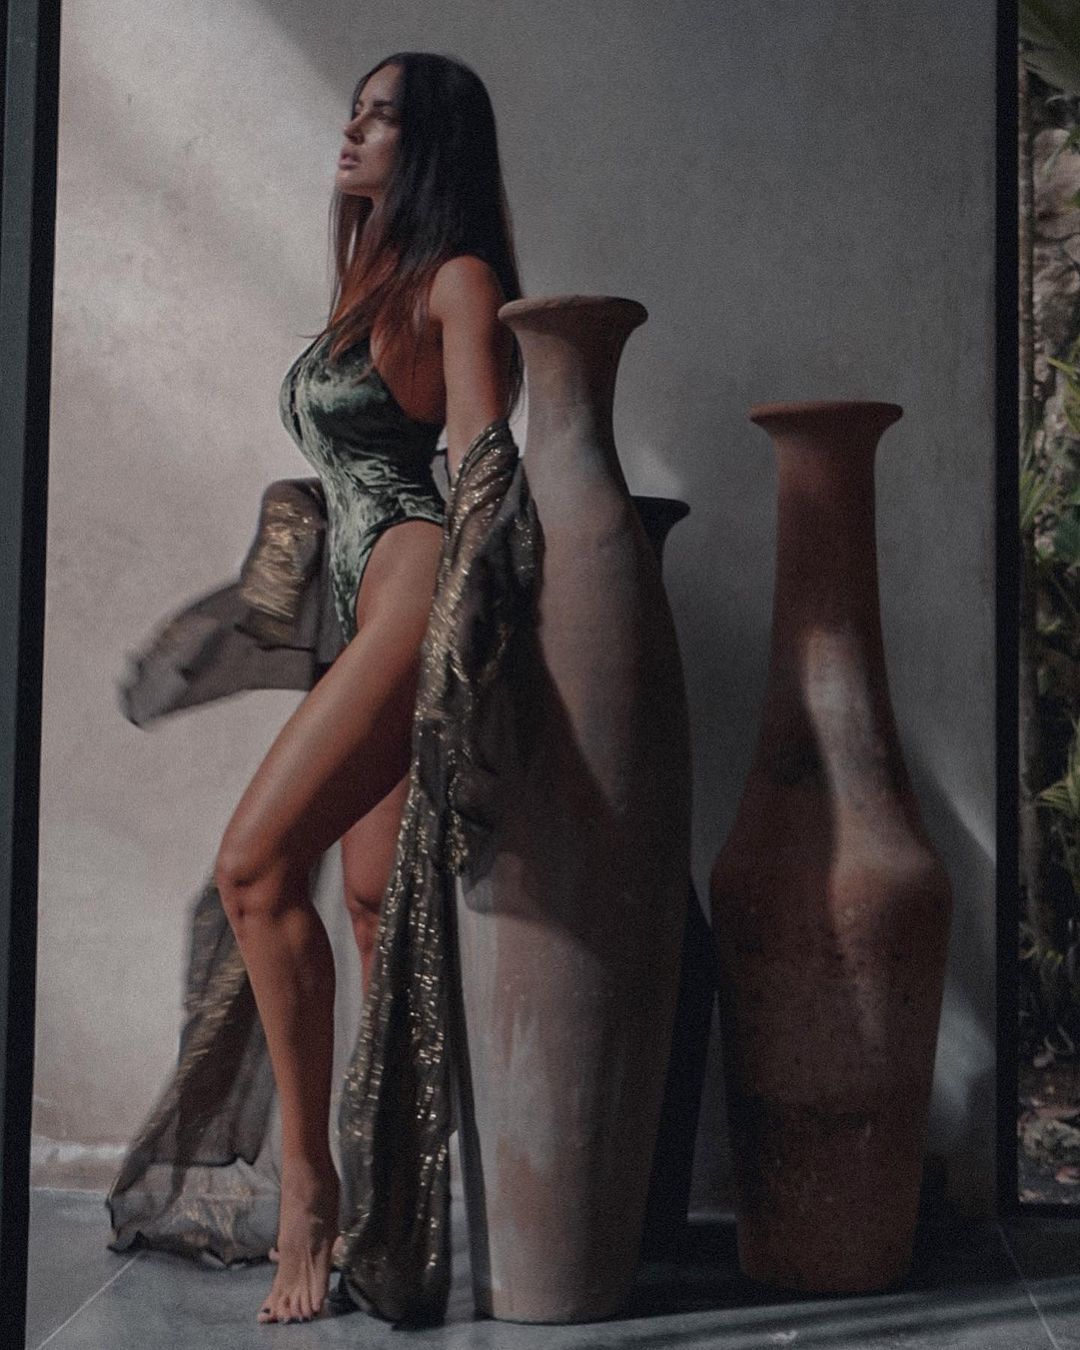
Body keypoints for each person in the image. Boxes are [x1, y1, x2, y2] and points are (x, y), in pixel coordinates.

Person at [210, 52, 522, 1324]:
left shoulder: (458, 280)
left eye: (381, 119)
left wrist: (478, 657)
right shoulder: (367, 281)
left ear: (431, 144)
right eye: (352, 111)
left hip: (411, 587)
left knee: (250, 869)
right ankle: (393, 1218)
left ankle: (310, 1191)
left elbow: (486, 470)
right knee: (364, 905)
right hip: (353, 611)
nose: (352, 132)